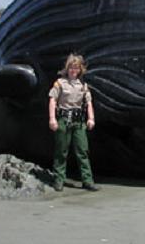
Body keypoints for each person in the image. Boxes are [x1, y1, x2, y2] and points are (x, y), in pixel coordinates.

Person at [48, 53, 98, 192]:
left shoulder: (83, 85)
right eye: (71, 67)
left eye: (76, 68)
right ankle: (59, 179)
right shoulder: (60, 83)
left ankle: (87, 180)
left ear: (80, 69)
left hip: (79, 121)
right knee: (61, 151)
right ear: (67, 68)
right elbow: (52, 100)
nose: (73, 70)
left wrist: (91, 118)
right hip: (63, 119)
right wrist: (52, 118)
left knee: (83, 151)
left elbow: (88, 103)